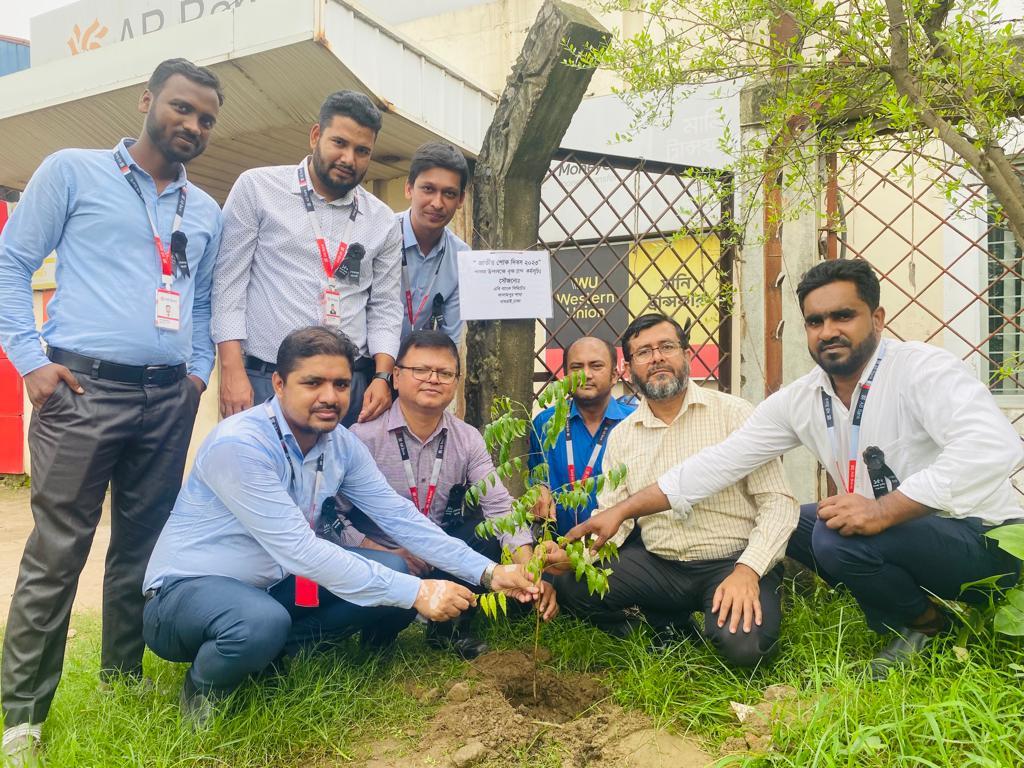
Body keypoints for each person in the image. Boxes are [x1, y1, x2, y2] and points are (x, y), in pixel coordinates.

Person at [567, 261, 1024, 678]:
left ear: (877, 319)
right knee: (810, 521)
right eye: (815, 321)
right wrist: (621, 510)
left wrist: (882, 511)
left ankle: (926, 627)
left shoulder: (921, 369)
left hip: (984, 538)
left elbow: (992, 448)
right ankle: (917, 618)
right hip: (899, 537)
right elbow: (719, 463)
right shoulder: (805, 397)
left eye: (843, 316)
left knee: (830, 534)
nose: (828, 331)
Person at [0, 59, 224, 763]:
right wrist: (30, 362)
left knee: (140, 550)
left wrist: (196, 375)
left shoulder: (205, 209)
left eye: (206, 120)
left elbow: (206, 302)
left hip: (167, 398)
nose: (192, 126)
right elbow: (11, 261)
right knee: (56, 551)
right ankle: (22, 719)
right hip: (81, 391)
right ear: (147, 99)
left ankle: (120, 684)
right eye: (182, 109)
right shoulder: (71, 171)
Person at [143, 327, 538, 723]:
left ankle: (275, 653)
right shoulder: (241, 444)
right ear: (278, 384)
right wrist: (417, 591)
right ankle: (204, 688)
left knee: (392, 568)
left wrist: (488, 573)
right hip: (184, 597)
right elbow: (300, 549)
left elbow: (400, 517)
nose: (330, 397)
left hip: (274, 586)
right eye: (313, 383)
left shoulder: (339, 445)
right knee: (263, 619)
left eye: (341, 384)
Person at [551, 315, 798, 665]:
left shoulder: (734, 414)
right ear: (630, 368)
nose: (656, 358)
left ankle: (727, 610)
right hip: (661, 566)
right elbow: (614, 518)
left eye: (666, 347)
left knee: (744, 650)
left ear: (687, 354)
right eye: (643, 352)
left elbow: (778, 502)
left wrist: (749, 570)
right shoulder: (624, 435)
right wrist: (577, 555)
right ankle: (666, 627)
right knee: (574, 586)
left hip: (731, 561)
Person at [337, 330, 558, 659]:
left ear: (456, 381)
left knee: (484, 533)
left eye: (444, 373)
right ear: (396, 376)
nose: (432, 380)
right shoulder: (362, 437)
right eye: (421, 370)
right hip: (384, 554)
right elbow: (332, 517)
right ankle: (376, 637)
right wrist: (382, 549)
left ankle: (450, 630)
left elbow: (499, 506)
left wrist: (527, 571)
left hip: (441, 551)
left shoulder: (467, 438)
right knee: (389, 567)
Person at [213, 90, 403, 427]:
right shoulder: (258, 189)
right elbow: (228, 284)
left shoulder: (383, 221)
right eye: (339, 143)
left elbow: (386, 306)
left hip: (348, 388)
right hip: (267, 379)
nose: (349, 159)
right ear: (316, 135)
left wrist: (382, 378)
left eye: (362, 151)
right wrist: (231, 370)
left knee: (336, 480)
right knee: (261, 477)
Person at [529, 336, 635, 535]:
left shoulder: (634, 423)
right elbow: (536, 478)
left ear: (614, 375)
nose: (586, 374)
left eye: (596, 366)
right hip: (556, 548)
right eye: (576, 367)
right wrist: (538, 490)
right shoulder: (545, 424)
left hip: (620, 548)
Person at [399, 142, 469, 344]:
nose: (437, 203)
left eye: (449, 193)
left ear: (461, 199)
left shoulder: (461, 258)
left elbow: (450, 340)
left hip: (422, 369)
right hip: (367, 363)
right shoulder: (381, 235)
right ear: (409, 188)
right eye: (428, 189)